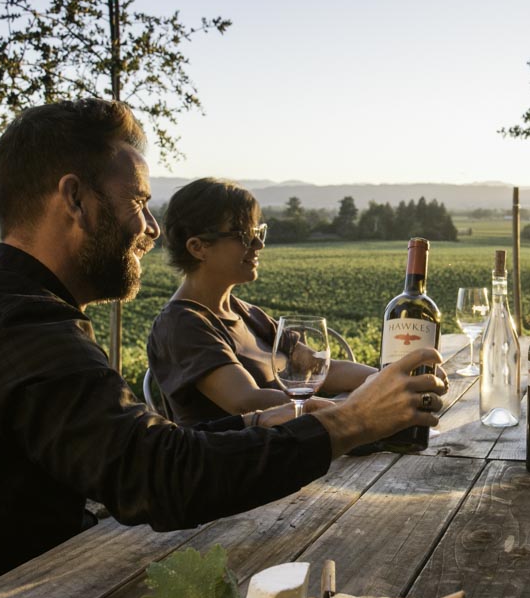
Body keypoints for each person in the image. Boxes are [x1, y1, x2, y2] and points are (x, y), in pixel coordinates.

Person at [0, 99, 446, 598]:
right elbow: (158, 476)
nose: (153, 228)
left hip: (38, 587)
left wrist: (273, 421)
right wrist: (349, 424)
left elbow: (138, 441)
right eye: (137, 201)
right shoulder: (20, 324)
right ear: (75, 199)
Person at [146, 178, 376, 426]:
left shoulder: (245, 313)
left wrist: (387, 379)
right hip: (238, 460)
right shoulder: (182, 326)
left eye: (259, 232)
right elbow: (246, 401)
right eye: (245, 235)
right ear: (198, 247)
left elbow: (319, 368)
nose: (259, 244)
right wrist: (351, 407)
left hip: (291, 449)